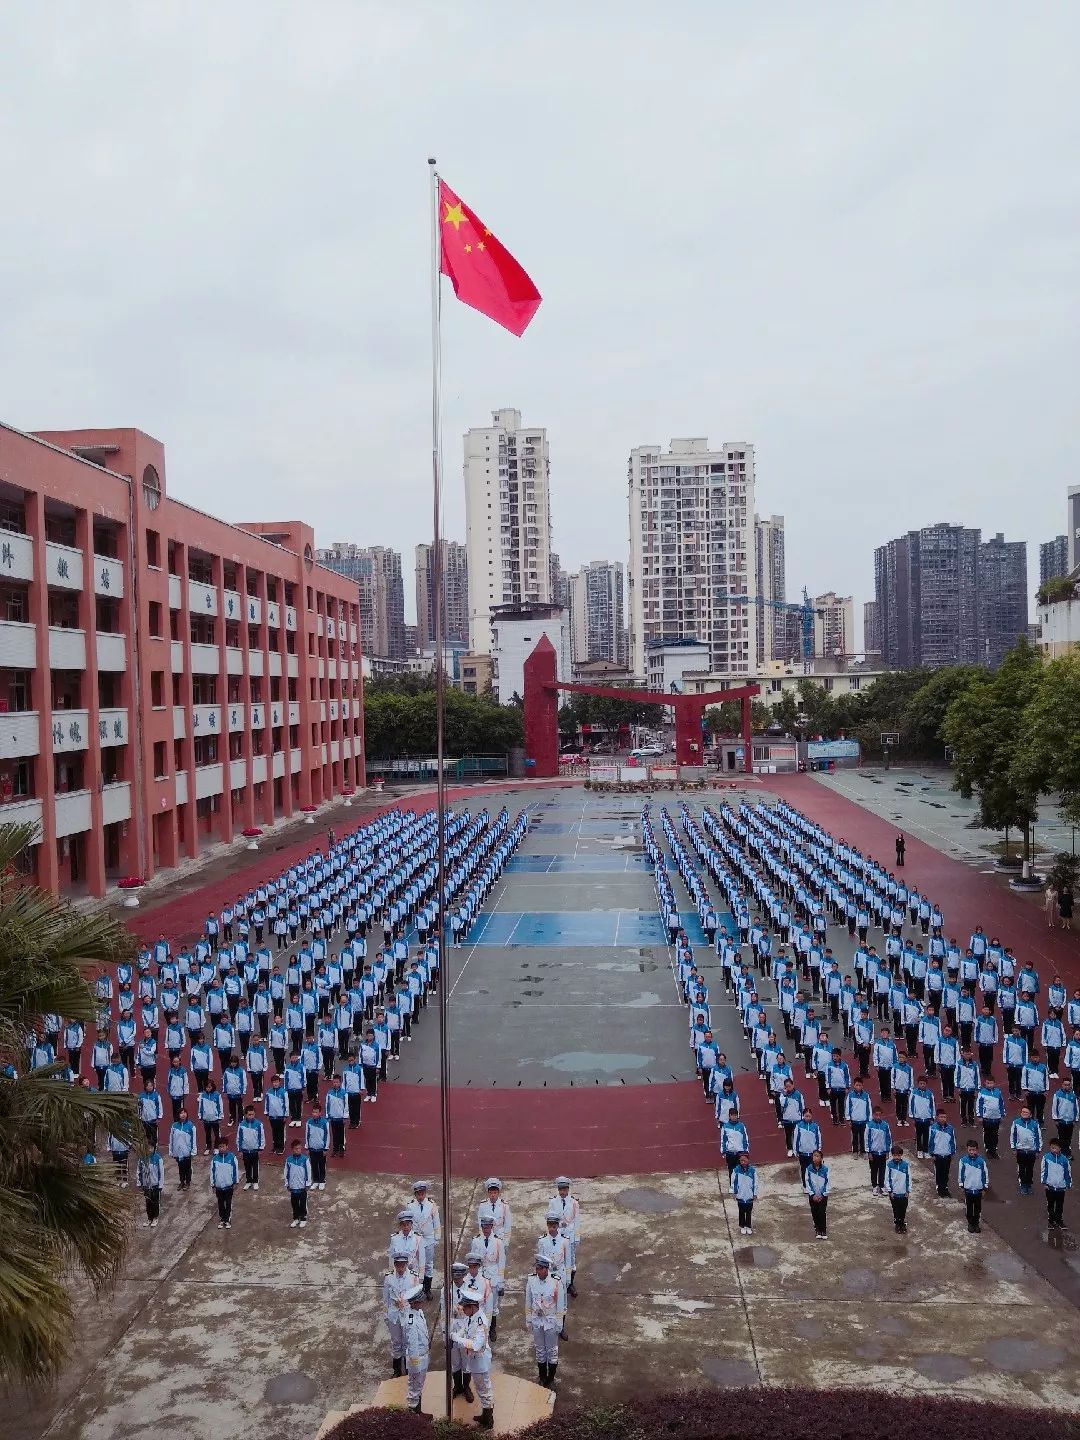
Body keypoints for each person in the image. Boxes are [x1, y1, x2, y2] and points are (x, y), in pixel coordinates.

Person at [451, 1287, 494, 1430]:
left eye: (465, 1308)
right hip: (474, 1360)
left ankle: (488, 1421)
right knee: (481, 1389)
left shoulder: (481, 1321)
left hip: (480, 1360)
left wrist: (458, 1339)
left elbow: (475, 1345)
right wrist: (458, 1334)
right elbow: (466, 1330)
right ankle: (485, 1415)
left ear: (472, 1307)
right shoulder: (472, 1318)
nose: (463, 1310)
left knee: (484, 1390)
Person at [525, 1253, 561, 1390]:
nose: (537, 1271)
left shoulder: (556, 1281)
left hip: (551, 1320)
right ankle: (542, 1377)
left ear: (546, 1269)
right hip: (537, 1320)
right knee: (540, 1350)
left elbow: (561, 1304)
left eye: (540, 1269)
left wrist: (559, 1324)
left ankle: (551, 1379)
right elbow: (528, 1302)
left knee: (552, 1351)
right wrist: (528, 1320)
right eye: (537, 1268)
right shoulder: (531, 1280)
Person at [407, 1180, 442, 1299]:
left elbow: (436, 1221)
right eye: (418, 1194)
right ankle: (418, 1288)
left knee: (428, 1264)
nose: (420, 1196)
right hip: (417, 1239)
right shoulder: (410, 1206)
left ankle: (427, 1289)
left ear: (425, 1193)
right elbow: (409, 1223)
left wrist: (437, 1237)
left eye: (422, 1193)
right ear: (415, 1195)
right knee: (416, 1263)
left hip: (429, 1238)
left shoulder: (431, 1205)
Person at [550, 1177, 581, 1297]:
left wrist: (577, 1237)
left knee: (571, 1261)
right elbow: (550, 1218)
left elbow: (577, 1220)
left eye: (564, 1189)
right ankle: (556, 1284)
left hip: (570, 1234)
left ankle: (570, 1285)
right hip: (557, 1234)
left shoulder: (574, 1202)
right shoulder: (553, 1202)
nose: (562, 1192)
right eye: (560, 1189)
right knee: (556, 1259)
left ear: (568, 1189)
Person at [384, 1253, 413, 1377]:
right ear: (395, 1265)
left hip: (407, 1313)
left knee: (407, 1342)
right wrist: (389, 1311)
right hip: (394, 1314)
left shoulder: (413, 1277)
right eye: (398, 1265)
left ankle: (407, 1370)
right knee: (396, 1342)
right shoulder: (389, 1278)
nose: (401, 1268)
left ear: (406, 1265)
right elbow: (385, 1298)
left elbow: (415, 1297)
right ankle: (396, 1371)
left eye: (403, 1265)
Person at [402, 1282, 430, 1417]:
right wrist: (415, 1366)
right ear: (414, 1303)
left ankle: (418, 1412)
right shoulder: (411, 1321)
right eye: (420, 1301)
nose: (422, 1302)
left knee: (418, 1386)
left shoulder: (419, 1313)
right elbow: (412, 1346)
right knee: (414, 1388)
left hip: (423, 1356)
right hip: (417, 1360)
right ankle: (413, 1415)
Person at [1010, 1105, 1043, 1195]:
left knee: (1030, 1169)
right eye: (1023, 1112)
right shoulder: (1016, 1123)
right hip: (1020, 1151)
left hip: (1031, 1151)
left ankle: (1029, 1185)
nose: (1024, 1113)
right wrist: (1013, 1148)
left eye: (1026, 1112)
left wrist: (1038, 1150)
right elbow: (1013, 1136)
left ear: (1030, 1115)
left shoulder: (1035, 1124)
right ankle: (1023, 1185)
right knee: (1021, 1169)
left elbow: (1038, 1137)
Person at [957, 1140, 989, 1234]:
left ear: (977, 1150)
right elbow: (960, 1174)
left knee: (978, 1209)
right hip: (968, 1190)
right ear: (967, 1149)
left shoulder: (981, 1161)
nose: (972, 1152)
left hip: (979, 1191)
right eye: (970, 1150)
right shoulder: (963, 1161)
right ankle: (970, 1224)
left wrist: (985, 1187)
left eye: (974, 1150)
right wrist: (961, 1185)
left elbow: (985, 1174)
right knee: (969, 1209)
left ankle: (976, 1224)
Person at [1041, 1139, 1072, 1229]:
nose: (1053, 1149)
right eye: (1052, 1148)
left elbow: (1067, 1172)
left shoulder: (1064, 1160)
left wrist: (1068, 1183)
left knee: (1059, 1205)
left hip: (1060, 1188)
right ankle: (1051, 1221)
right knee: (1050, 1204)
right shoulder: (1046, 1157)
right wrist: (1044, 1182)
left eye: (1055, 1148)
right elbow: (1043, 1170)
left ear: (1060, 1148)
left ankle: (1059, 1220)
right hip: (1049, 1187)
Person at [209, 1139, 239, 1228]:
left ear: (227, 1146)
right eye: (220, 1147)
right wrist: (212, 1184)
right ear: (218, 1148)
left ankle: (228, 1219)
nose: (222, 1148)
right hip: (218, 1187)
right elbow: (212, 1172)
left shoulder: (232, 1157)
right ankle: (222, 1219)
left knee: (228, 1203)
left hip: (229, 1186)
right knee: (220, 1203)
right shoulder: (215, 1159)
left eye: (223, 1146)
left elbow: (235, 1171)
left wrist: (236, 1182)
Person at [284, 1139, 312, 1227]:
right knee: (294, 1204)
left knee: (303, 1203)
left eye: (299, 1148)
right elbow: (286, 1173)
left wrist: (307, 1184)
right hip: (293, 1187)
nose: (298, 1150)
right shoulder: (288, 1160)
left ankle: (303, 1218)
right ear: (292, 1149)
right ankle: (296, 1218)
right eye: (296, 1149)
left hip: (302, 1186)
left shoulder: (305, 1159)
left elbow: (309, 1172)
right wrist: (287, 1184)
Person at [928, 1111, 956, 1197]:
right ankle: (940, 1189)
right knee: (939, 1173)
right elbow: (930, 1141)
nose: (943, 1119)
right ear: (937, 1117)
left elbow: (953, 1141)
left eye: (944, 1117)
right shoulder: (933, 1128)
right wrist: (932, 1154)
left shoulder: (950, 1128)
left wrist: (952, 1152)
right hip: (938, 1156)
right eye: (941, 1117)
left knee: (946, 1173)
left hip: (947, 1155)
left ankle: (945, 1188)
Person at [237, 1104, 265, 1190]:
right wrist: (240, 1149)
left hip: (254, 1150)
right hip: (245, 1150)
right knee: (247, 1166)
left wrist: (261, 1147)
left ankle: (255, 1181)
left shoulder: (259, 1124)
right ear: (245, 1115)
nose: (251, 1116)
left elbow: (261, 1136)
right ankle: (248, 1181)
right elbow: (239, 1137)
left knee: (255, 1166)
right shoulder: (241, 1125)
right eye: (249, 1114)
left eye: (252, 1114)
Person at [168, 1107, 196, 1189]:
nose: (183, 1115)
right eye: (181, 1113)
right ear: (178, 1115)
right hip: (177, 1151)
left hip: (187, 1151)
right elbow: (171, 1139)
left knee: (187, 1168)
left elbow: (194, 1139)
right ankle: (181, 1182)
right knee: (181, 1168)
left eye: (184, 1113)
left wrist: (193, 1151)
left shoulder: (191, 1126)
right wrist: (171, 1150)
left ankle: (187, 1182)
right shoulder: (174, 1126)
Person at [804, 1151, 830, 1238]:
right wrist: (813, 1194)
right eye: (814, 1156)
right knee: (814, 1213)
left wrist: (823, 1194)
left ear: (821, 1158)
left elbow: (828, 1182)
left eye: (817, 1156)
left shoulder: (826, 1169)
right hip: (813, 1196)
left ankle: (823, 1230)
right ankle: (817, 1230)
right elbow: (807, 1182)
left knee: (822, 1212)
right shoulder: (808, 1169)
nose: (815, 1158)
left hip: (823, 1196)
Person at [885, 1145, 911, 1233]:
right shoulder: (889, 1165)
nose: (897, 1157)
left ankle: (902, 1223)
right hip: (894, 1193)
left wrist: (908, 1190)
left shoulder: (906, 1165)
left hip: (904, 1193)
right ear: (892, 1155)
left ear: (901, 1155)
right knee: (896, 1209)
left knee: (903, 1209)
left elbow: (909, 1178)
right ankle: (897, 1224)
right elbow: (887, 1179)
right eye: (895, 1155)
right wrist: (890, 1191)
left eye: (898, 1155)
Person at [137, 1145, 165, 1228]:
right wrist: (139, 1183)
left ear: (154, 1148)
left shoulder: (158, 1158)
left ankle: (155, 1218)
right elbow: (139, 1171)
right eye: (147, 1147)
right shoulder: (141, 1158)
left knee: (155, 1202)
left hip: (155, 1186)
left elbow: (161, 1172)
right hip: (146, 1186)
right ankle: (149, 1218)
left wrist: (160, 1184)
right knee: (148, 1203)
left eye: (151, 1148)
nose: (149, 1149)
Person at [732, 1152, 757, 1235]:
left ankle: (748, 1226)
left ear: (748, 1160)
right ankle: (743, 1226)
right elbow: (733, 1182)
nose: (742, 1162)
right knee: (741, 1211)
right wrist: (734, 1192)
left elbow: (755, 1183)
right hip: (740, 1195)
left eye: (744, 1160)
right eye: (741, 1160)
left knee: (749, 1212)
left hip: (749, 1195)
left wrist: (755, 1193)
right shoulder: (736, 1170)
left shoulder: (753, 1171)